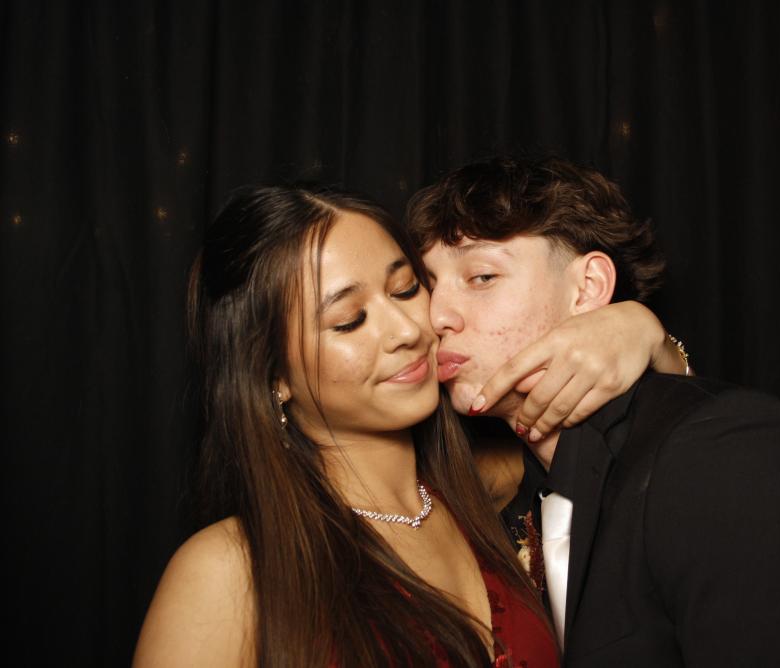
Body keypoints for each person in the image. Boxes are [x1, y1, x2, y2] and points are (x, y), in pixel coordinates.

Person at [132, 183, 682, 667]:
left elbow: (649, 472)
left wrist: (648, 335)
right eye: (349, 320)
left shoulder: (497, 495)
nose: (409, 330)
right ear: (273, 375)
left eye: (405, 289)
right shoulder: (226, 571)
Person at [407, 155, 780, 666]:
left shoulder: (722, 450)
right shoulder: (500, 499)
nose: (436, 317)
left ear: (588, 287)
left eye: (481, 276)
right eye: (429, 285)